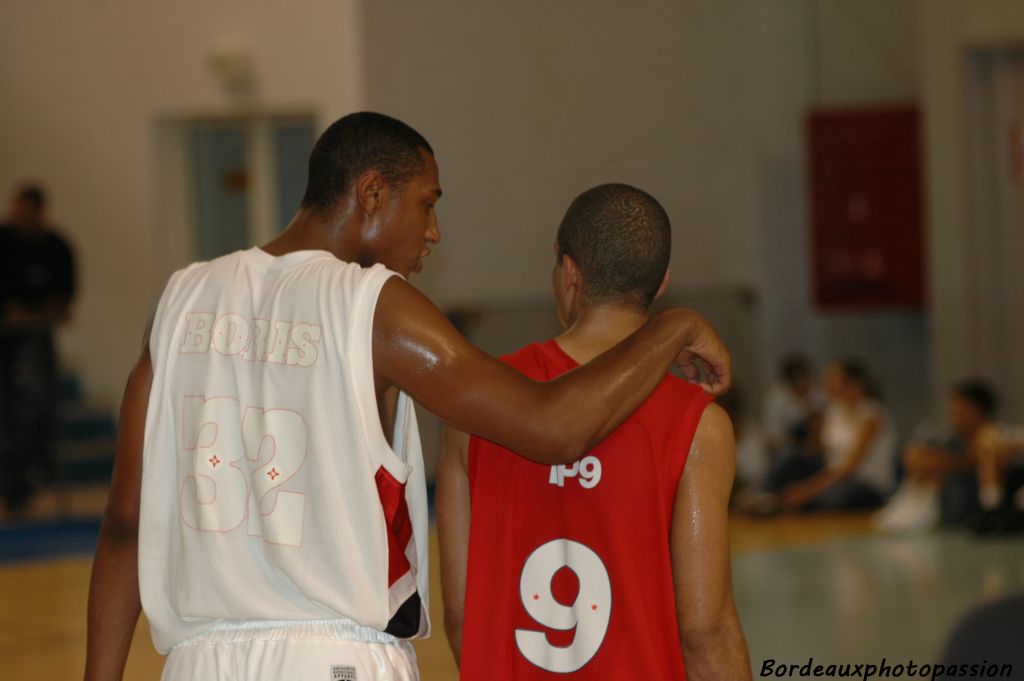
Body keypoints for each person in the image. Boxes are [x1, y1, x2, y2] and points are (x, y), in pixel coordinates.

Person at [83, 113, 732, 681]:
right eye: (427, 203)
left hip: (199, 664)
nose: (434, 231)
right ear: (372, 193)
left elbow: (125, 524)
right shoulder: (375, 308)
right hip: (335, 659)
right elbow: (554, 425)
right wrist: (673, 327)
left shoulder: (182, 298)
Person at [437, 184, 750, 679]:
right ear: (662, 282)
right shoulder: (698, 425)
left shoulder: (476, 405)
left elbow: (460, 616)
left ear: (569, 273)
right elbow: (703, 628)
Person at [0, 183, 76, 513]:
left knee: (37, 406)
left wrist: (33, 316)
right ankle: (13, 481)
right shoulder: (3, 242)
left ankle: (34, 472)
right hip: (5, 341)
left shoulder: (56, 247)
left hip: (37, 339)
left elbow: (64, 300)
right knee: (9, 411)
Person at [765, 359, 895, 511]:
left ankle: (792, 504)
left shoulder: (872, 416)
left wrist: (806, 491)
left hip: (864, 482)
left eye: (833, 379)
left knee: (833, 499)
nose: (826, 385)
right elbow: (819, 450)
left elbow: (848, 468)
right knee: (790, 458)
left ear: (852, 383)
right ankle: (764, 497)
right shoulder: (834, 411)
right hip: (832, 473)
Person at [874, 380, 998, 533]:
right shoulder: (953, 437)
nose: (954, 414)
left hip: (971, 490)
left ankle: (921, 506)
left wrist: (941, 462)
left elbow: (977, 460)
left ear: (976, 409)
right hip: (939, 483)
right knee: (920, 454)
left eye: (959, 409)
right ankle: (914, 500)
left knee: (935, 463)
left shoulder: (990, 433)